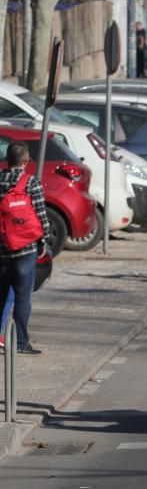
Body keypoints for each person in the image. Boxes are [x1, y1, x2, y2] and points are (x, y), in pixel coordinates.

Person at [0, 142, 51, 355]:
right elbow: (41, 214)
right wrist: (44, 242)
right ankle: (21, 342)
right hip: (25, 248)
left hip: (2, 249)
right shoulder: (30, 182)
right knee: (23, 296)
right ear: (26, 161)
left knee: (1, 294)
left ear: (7, 160)